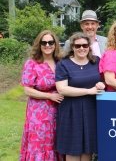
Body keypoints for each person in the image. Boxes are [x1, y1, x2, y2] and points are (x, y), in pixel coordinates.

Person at [55, 32, 105, 161]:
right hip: (71, 111)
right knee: (73, 151)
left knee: (87, 150)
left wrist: (101, 84)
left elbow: (103, 80)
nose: (81, 48)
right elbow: (62, 89)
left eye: (84, 45)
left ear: (89, 46)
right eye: (78, 46)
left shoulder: (96, 61)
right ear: (72, 47)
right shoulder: (64, 64)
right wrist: (88, 91)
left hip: (90, 109)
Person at [19, 30, 64, 161]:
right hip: (39, 113)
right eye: (44, 42)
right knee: (40, 144)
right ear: (39, 45)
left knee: (55, 142)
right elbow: (27, 90)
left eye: (51, 42)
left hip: (58, 111)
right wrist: (49, 96)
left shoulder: (60, 62)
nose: (47, 45)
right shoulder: (32, 63)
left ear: (55, 44)